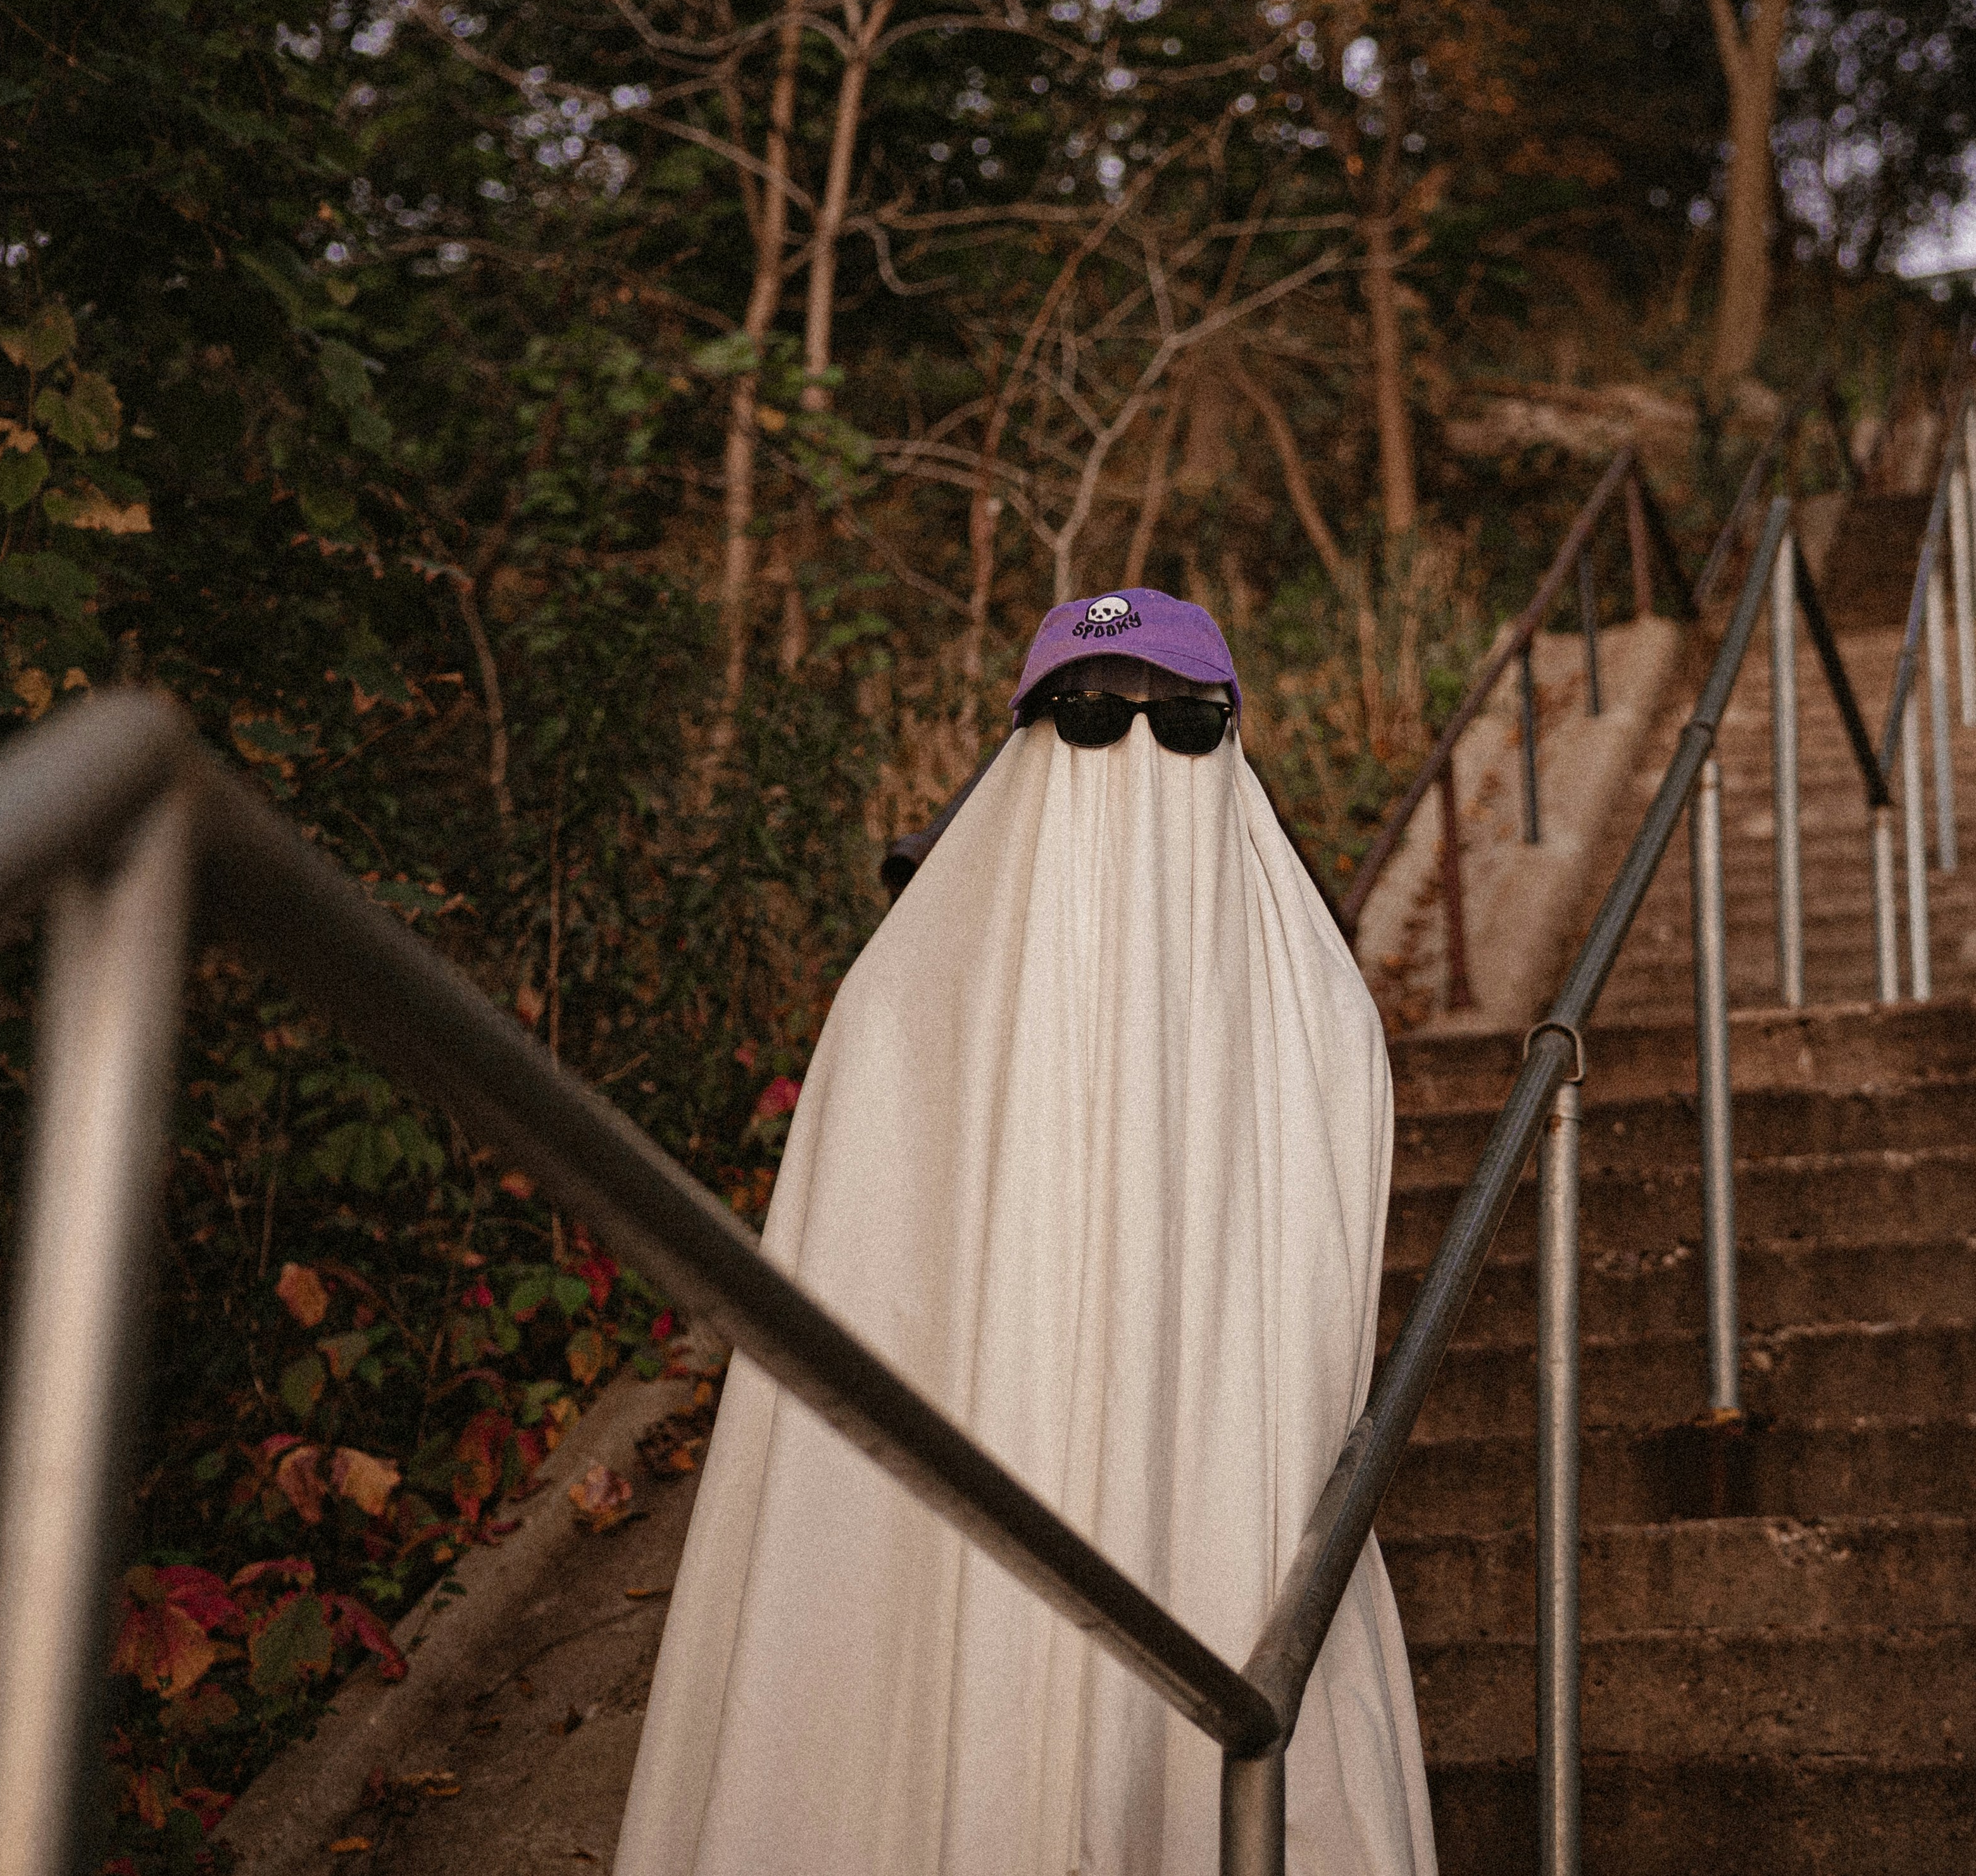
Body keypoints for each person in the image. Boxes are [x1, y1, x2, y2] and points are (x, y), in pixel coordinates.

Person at [611, 589, 1435, 1876]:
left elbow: (1315, 1354)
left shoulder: (1315, 1021)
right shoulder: (900, 1013)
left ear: (1235, 739)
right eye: (1092, 717)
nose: (1136, 750)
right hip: (948, 1581)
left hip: (1224, 1523)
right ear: (1025, 742)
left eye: (1185, 726)